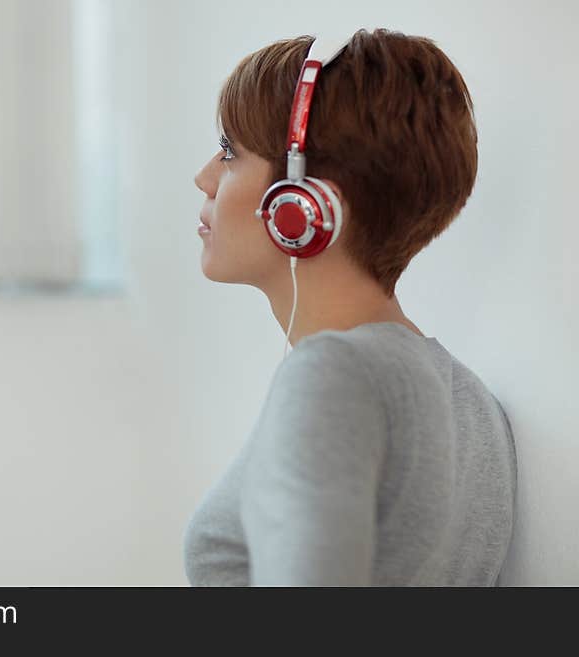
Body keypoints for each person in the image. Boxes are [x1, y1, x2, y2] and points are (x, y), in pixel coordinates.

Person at [184, 28, 517, 586]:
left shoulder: (330, 377)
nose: (205, 177)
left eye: (229, 152)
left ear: (302, 202)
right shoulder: (472, 400)